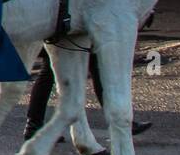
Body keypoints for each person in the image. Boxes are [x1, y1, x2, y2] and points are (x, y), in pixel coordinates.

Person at [23, 48, 153, 141]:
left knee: (49, 72)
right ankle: (120, 123)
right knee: (96, 68)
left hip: (65, 27)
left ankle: (33, 125)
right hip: (66, 28)